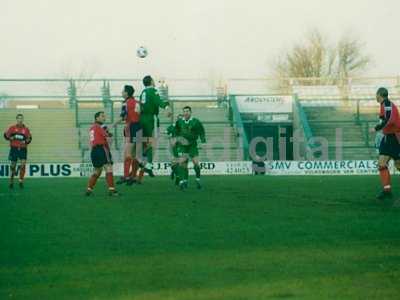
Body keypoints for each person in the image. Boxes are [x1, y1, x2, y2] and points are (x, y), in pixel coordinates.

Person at [139, 75, 171, 176]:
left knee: (147, 141)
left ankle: (145, 163)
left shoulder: (143, 92)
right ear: (151, 82)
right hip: (151, 119)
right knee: (153, 141)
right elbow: (159, 102)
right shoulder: (153, 91)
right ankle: (148, 165)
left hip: (142, 118)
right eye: (153, 80)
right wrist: (166, 107)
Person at [373, 87, 400, 200]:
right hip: (388, 138)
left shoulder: (387, 103)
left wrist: (376, 128)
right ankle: (387, 190)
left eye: (376, 94)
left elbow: (389, 120)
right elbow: (385, 120)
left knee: (398, 165)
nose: (376, 97)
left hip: (395, 137)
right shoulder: (383, 105)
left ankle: (387, 190)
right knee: (381, 164)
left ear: (380, 94)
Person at [86, 111, 119, 196]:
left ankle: (89, 189)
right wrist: (110, 133)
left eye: (104, 116)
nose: (104, 118)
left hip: (94, 150)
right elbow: (108, 135)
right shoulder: (100, 126)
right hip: (101, 149)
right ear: (97, 118)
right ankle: (112, 190)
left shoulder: (92, 127)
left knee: (97, 171)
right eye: (102, 116)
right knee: (108, 167)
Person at [113, 85, 141, 185]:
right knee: (135, 154)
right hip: (139, 127)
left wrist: (114, 123)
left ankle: (126, 176)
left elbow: (123, 116)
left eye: (122, 91)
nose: (121, 92)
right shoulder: (137, 102)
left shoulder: (125, 103)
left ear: (126, 93)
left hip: (131, 127)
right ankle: (133, 176)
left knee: (127, 154)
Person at [174, 106, 206, 190]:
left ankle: (198, 179)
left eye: (187, 111)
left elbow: (202, 131)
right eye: (184, 111)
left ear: (190, 112)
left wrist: (203, 142)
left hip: (192, 145)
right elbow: (176, 131)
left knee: (196, 163)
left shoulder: (196, 122)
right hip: (183, 146)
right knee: (182, 164)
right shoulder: (180, 122)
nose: (186, 113)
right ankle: (183, 182)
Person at [3, 114, 32, 189]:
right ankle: (11, 181)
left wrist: (25, 142)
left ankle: (21, 181)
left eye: (21, 118)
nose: (20, 120)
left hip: (23, 149)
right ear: (16, 119)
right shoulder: (12, 128)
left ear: (23, 119)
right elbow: (5, 136)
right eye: (19, 118)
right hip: (14, 149)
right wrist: (10, 138)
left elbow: (29, 139)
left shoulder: (26, 129)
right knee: (13, 166)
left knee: (23, 165)